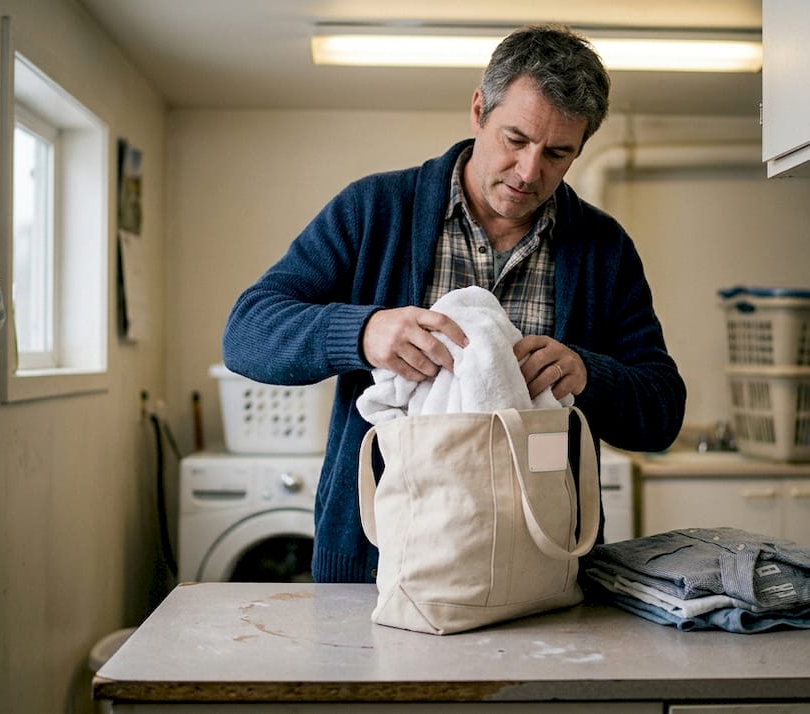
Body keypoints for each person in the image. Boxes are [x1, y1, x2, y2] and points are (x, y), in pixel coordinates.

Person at [222, 24, 686, 583]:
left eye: (558, 153)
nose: (529, 172)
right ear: (478, 111)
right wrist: (362, 332)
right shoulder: (375, 210)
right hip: (378, 563)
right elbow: (246, 332)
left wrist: (590, 374)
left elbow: (662, 413)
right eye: (515, 140)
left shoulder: (603, 249)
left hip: (544, 565)